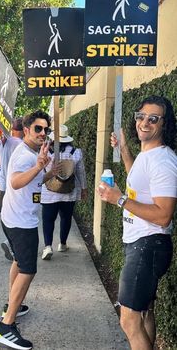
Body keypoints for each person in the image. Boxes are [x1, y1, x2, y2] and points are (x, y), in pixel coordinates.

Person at [98, 95, 177, 350]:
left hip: (148, 245)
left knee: (129, 320)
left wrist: (119, 200)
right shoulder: (148, 154)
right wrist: (123, 149)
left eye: (153, 119)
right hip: (144, 244)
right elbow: (137, 177)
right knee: (144, 313)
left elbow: (164, 214)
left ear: (164, 124)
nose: (145, 122)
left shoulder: (164, 161)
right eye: (141, 116)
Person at [0, 110, 58, 350]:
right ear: (27, 130)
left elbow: (33, 179)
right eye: (37, 129)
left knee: (19, 262)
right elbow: (15, 182)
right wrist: (39, 164)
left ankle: (12, 305)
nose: (42, 133)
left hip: (13, 217)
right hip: (21, 222)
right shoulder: (24, 155)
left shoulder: (32, 153)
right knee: (28, 270)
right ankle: (5, 327)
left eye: (45, 130)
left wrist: (48, 170)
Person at [41, 124, 88, 260]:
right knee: (66, 218)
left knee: (48, 220)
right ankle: (62, 243)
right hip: (69, 192)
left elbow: (39, 171)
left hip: (49, 193)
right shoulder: (76, 152)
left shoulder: (46, 152)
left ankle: (48, 246)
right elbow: (81, 173)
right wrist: (84, 189)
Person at [0, 118, 24, 261]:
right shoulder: (21, 145)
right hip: (15, 187)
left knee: (6, 218)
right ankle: (12, 244)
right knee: (17, 219)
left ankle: (10, 243)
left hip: (1, 186)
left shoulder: (3, 141)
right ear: (24, 130)